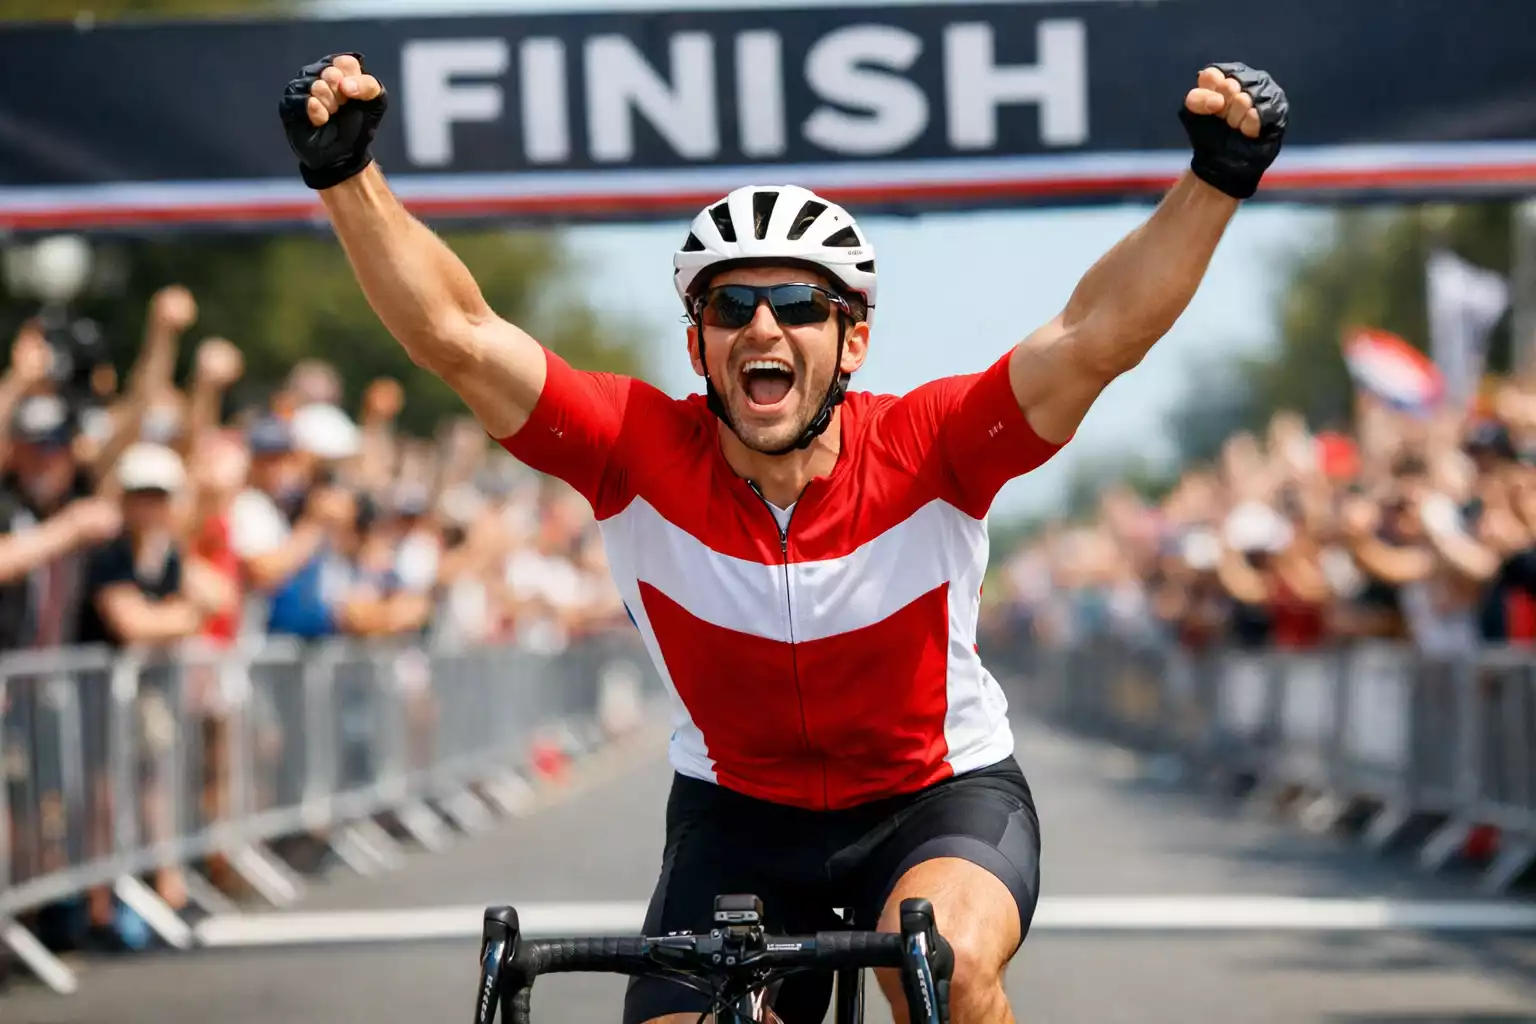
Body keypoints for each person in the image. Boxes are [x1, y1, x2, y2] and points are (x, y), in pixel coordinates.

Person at [279, 53, 1288, 1024]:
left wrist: (1215, 179)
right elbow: (456, 332)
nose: (764, 326)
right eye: (732, 304)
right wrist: (346, 175)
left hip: (933, 798)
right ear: (698, 342)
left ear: (852, 339)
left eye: (800, 303)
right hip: (742, 817)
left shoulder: (936, 445)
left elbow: (1094, 335)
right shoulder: (631, 448)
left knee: (941, 962)